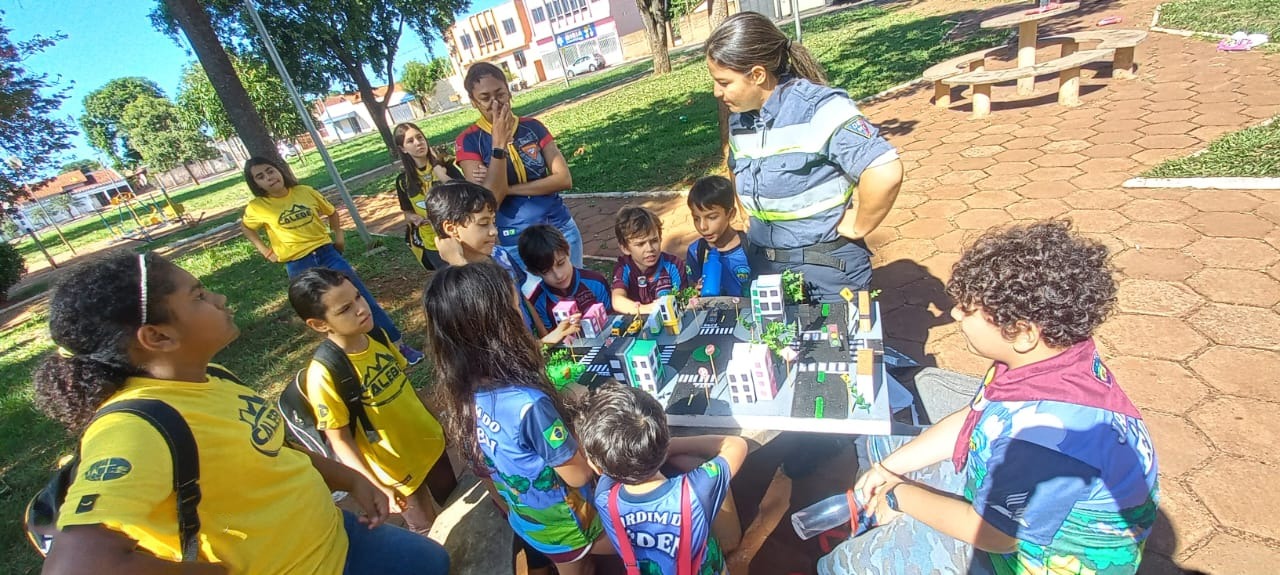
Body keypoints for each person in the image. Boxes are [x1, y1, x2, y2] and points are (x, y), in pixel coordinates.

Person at [32, 251, 449, 575]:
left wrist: (350, 479)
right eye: (198, 296)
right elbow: (78, 565)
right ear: (157, 336)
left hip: (339, 536)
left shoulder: (211, 375)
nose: (220, 298)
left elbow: (269, 447)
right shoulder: (134, 427)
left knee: (436, 563)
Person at [818, 221, 1160, 575]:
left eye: (968, 309)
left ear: (1023, 332)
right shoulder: (1049, 359)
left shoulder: (1042, 440)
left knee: (844, 566)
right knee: (882, 448)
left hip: (1033, 560)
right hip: (1013, 504)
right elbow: (976, 415)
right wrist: (888, 470)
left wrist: (897, 495)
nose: (954, 313)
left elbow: (994, 536)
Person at [422, 262, 611, 575]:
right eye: (515, 308)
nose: (523, 317)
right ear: (499, 327)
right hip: (572, 525)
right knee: (632, 543)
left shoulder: (463, 395)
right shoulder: (529, 404)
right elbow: (577, 475)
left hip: (529, 521)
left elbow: (485, 471)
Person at [705, 12, 904, 301]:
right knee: (776, 345)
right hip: (766, 265)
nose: (716, 92)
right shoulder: (740, 119)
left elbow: (884, 170)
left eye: (724, 82)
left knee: (832, 346)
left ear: (758, 75)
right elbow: (736, 165)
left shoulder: (820, 109)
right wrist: (746, 210)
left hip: (825, 271)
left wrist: (860, 224)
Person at [288, 267, 447, 535]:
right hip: (396, 470)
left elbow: (405, 386)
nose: (362, 309)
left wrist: (437, 422)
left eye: (359, 297)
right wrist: (373, 484)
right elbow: (339, 440)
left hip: (430, 444)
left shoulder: (377, 336)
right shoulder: (325, 373)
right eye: (345, 309)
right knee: (432, 532)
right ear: (319, 324)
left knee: (458, 500)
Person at [239, 156, 424, 365]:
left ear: (279, 169)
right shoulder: (257, 207)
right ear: (255, 184)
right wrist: (264, 250)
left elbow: (332, 213)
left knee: (361, 299)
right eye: (260, 177)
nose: (268, 178)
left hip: (327, 254)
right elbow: (247, 227)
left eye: (270, 170)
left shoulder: (305, 192)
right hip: (299, 265)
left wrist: (339, 237)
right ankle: (362, 357)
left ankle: (398, 346)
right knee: (328, 314)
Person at [578, 382, 748, 575]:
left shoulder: (604, 497)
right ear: (664, 434)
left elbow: (611, 470)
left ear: (596, 467)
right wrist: (671, 445)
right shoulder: (695, 492)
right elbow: (736, 445)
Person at [455, 62, 584, 287]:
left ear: (509, 91)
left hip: (559, 227)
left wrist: (507, 188)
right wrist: (498, 144)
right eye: (485, 98)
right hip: (515, 239)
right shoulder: (469, 140)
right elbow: (489, 201)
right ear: (474, 102)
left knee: (578, 293)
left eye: (500, 93)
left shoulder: (533, 127)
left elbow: (563, 179)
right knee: (537, 304)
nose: (495, 103)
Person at [425, 180, 580, 346]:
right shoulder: (448, 287)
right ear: (451, 228)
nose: (493, 231)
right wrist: (459, 263)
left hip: (531, 349)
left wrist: (544, 336)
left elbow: (523, 299)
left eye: (493, 221)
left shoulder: (501, 256)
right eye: (483, 224)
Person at [393, 121, 463, 271]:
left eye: (420, 137)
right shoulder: (403, 181)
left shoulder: (446, 166)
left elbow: (466, 194)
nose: (418, 143)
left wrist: (441, 175)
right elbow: (407, 212)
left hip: (459, 237)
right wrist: (413, 218)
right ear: (403, 149)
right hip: (432, 244)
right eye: (410, 141)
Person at [520, 223, 613, 332]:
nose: (558, 275)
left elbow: (613, 322)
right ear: (535, 272)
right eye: (547, 271)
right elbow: (550, 340)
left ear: (568, 251)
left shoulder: (596, 283)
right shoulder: (538, 302)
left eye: (561, 263)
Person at [611, 206, 687, 315]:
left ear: (660, 238)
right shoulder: (624, 268)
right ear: (625, 248)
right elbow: (617, 300)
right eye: (640, 244)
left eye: (654, 241)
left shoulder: (673, 265)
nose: (650, 248)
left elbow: (682, 300)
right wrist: (647, 309)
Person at [684, 176, 751, 297]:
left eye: (712, 217)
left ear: (731, 214)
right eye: (696, 219)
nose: (703, 226)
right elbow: (692, 288)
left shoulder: (750, 247)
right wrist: (696, 291)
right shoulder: (696, 251)